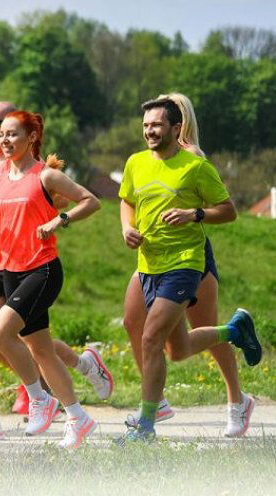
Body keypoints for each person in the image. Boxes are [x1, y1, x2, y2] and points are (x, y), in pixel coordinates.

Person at [0, 102, 113, 442]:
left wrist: (59, 220)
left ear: (32, 137)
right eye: (3, 134)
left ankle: (39, 399)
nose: (5, 139)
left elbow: (91, 200)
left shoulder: (45, 175)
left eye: (13, 134)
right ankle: (78, 417)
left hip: (42, 269)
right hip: (9, 268)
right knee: (41, 350)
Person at [116, 97, 260, 444]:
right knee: (176, 349)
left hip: (185, 263)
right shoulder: (135, 162)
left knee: (151, 337)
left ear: (176, 127)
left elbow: (229, 211)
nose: (150, 130)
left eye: (157, 125)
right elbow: (127, 200)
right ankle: (234, 330)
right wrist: (126, 228)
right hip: (149, 264)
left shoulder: (194, 164)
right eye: (146, 125)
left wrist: (194, 213)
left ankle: (147, 425)